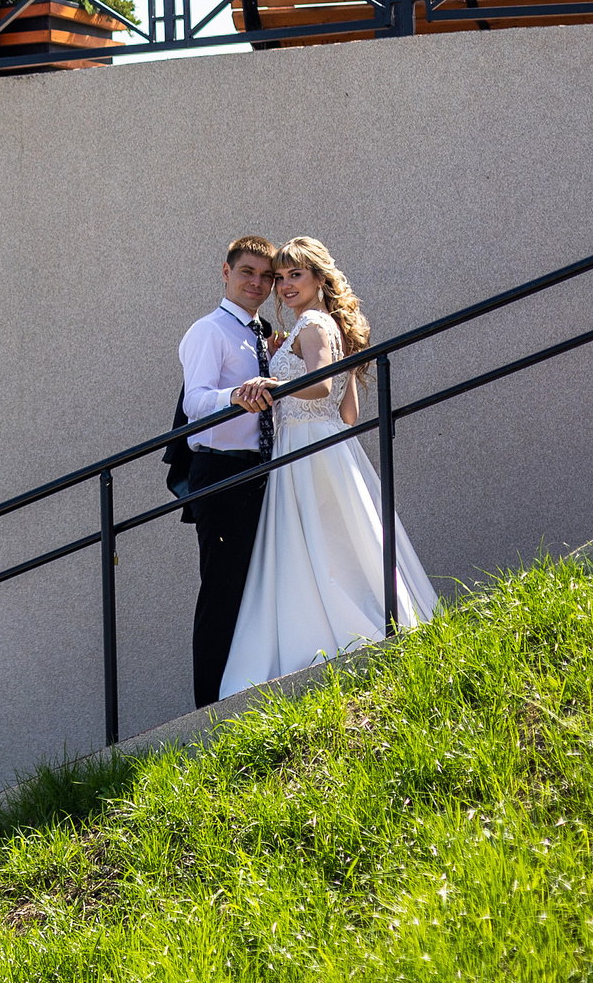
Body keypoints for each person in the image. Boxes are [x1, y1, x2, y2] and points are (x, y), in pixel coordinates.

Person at [220, 238, 439, 697]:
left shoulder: (314, 324)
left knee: (313, 544)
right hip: (328, 442)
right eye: (280, 277)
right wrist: (287, 358)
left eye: (295, 275)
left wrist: (275, 384)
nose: (285, 286)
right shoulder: (326, 325)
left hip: (306, 447)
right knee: (337, 543)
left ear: (319, 278)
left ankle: (327, 636)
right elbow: (349, 413)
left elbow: (320, 387)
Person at [177, 235, 281, 708]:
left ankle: (248, 692)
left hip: (262, 472)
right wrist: (235, 396)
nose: (257, 283)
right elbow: (195, 402)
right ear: (226, 272)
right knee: (221, 589)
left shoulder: (262, 336)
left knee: (257, 585)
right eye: (247, 272)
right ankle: (209, 710)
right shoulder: (210, 331)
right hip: (221, 473)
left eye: (266, 276)